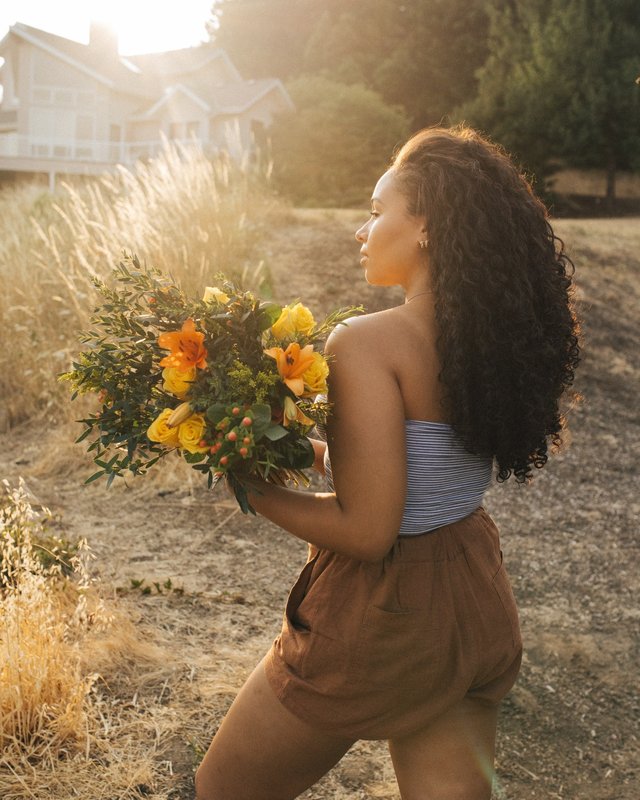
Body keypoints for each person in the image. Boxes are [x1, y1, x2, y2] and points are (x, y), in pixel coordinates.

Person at [194, 125, 580, 800]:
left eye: (377, 212)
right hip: (474, 594)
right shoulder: (487, 343)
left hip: (383, 616)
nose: (361, 231)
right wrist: (296, 450)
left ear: (427, 226)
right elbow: (417, 470)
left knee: (219, 792)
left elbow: (370, 531)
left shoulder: (368, 341)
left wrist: (248, 484)